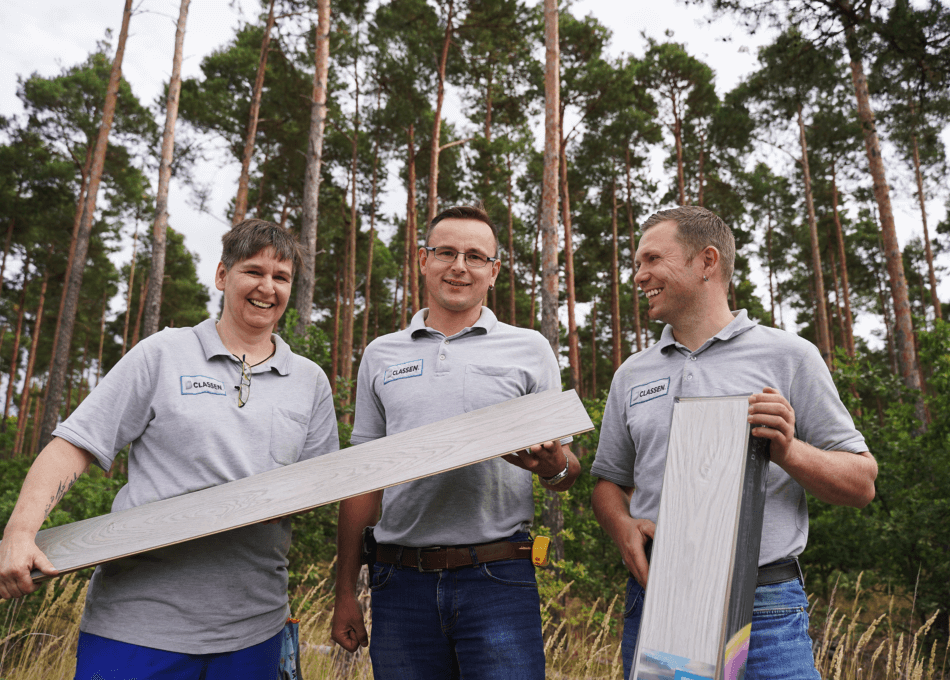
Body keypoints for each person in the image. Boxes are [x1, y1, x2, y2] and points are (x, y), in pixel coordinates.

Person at [0, 219, 339, 679]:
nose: (267, 287)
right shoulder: (162, 354)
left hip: (254, 634)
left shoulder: (309, 382)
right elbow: (73, 446)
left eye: (280, 277)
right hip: (136, 628)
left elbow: (323, 487)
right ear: (222, 276)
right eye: (253, 271)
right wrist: (20, 532)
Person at [589, 206, 877, 680]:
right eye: (637, 264)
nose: (639, 276)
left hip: (766, 605)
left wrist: (788, 450)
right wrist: (623, 527)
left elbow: (862, 484)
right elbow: (608, 483)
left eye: (652, 260)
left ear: (707, 261)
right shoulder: (631, 374)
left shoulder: (790, 356)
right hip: (663, 597)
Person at [330, 205, 581, 679]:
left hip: (498, 577)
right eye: (446, 252)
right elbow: (362, 481)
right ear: (423, 259)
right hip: (397, 582)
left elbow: (568, 472)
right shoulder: (381, 354)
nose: (459, 266)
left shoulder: (529, 349)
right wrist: (346, 590)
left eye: (474, 256)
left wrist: (554, 468)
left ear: (494, 271)